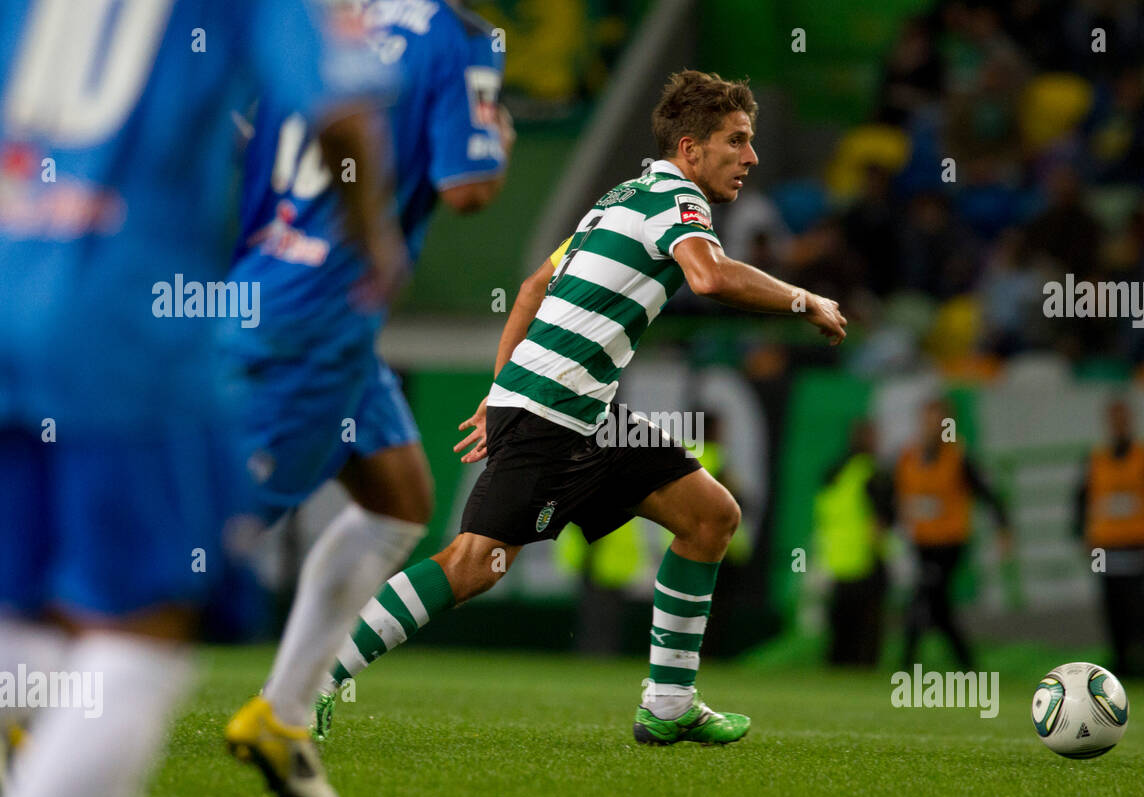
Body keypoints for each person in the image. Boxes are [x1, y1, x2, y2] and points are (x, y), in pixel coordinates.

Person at [313, 69, 848, 747]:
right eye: (736, 141)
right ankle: (315, 678)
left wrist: (501, 388)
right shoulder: (677, 201)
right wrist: (806, 300)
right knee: (475, 564)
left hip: (581, 412)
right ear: (690, 149)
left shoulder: (623, 197)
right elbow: (708, 277)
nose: (752, 157)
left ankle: (669, 703)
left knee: (711, 516)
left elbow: (536, 285)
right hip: (552, 414)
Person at [0, 0, 401, 797]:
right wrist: (374, 242)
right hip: (124, 326)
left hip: (9, 287)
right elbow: (337, 107)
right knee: (139, 634)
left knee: (24, 619)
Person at [221, 0, 512, 797]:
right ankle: (29, 697)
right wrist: (502, 144)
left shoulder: (321, 20)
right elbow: (469, 191)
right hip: (314, 319)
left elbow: (239, 134)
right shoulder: (461, 39)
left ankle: (282, 713)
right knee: (192, 548)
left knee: (400, 500)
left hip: (277, 290)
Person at [1073, 397, 1144, 678]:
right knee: (1114, 615)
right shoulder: (1095, 459)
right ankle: (1120, 672)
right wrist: (1081, 534)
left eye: (1122, 417)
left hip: (1141, 548)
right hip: (1106, 549)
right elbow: (1081, 498)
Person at [895, 398, 1011, 669]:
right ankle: (968, 665)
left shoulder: (958, 458)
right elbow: (896, 495)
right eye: (927, 418)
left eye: (939, 420)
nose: (932, 425)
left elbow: (989, 494)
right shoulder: (908, 457)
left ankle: (905, 667)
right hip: (920, 542)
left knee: (922, 599)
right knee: (939, 608)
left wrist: (1003, 529)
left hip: (948, 544)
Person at [815, 419, 893, 666]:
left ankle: (836, 667)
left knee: (840, 624)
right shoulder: (871, 473)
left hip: (836, 559)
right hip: (866, 556)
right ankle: (865, 667)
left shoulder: (833, 472)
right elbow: (881, 519)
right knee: (868, 625)